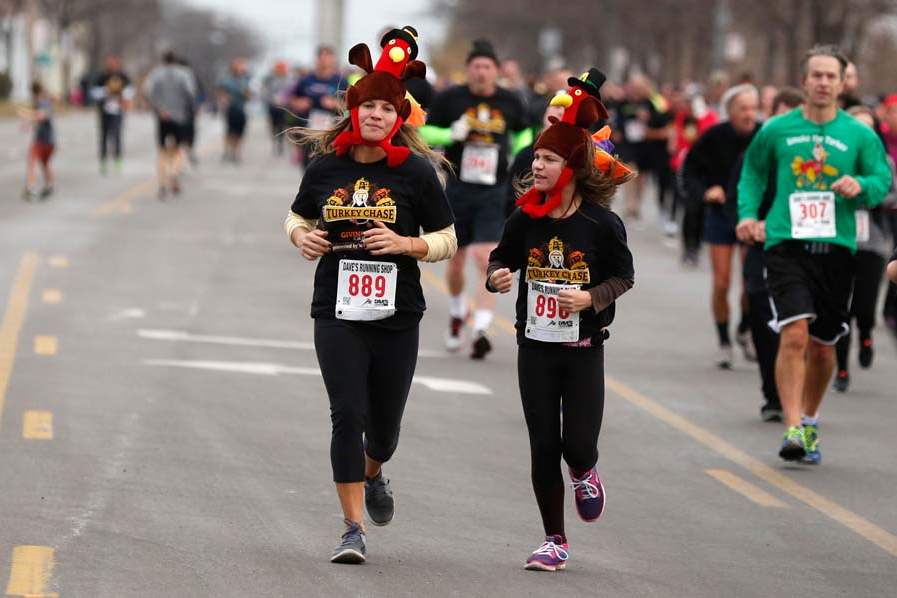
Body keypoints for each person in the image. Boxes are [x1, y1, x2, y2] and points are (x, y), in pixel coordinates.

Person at [284, 27, 457, 564]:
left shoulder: (417, 174)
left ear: (399, 117)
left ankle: (375, 473)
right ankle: (351, 529)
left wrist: (406, 243)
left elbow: (448, 238)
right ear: (354, 112)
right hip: (335, 308)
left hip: (397, 313)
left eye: (388, 107)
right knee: (347, 415)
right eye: (370, 105)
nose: (378, 114)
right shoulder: (325, 168)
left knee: (382, 432)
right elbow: (297, 214)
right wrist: (302, 236)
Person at [487, 69, 633, 571]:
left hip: (584, 350)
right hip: (535, 346)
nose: (538, 165)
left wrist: (590, 297)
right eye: (536, 158)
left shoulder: (601, 224)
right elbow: (499, 260)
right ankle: (554, 539)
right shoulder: (524, 217)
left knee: (578, 444)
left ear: (571, 165)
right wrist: (497, 279)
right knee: (543, 443)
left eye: (548, 159)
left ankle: (586, 470)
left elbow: (624, 277)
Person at [737, 45, 891, 464]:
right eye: (816, 75)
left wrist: (861, 186)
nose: (823, 82)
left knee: (824, 346)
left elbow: (882, 178)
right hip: (786, 244)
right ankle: (791, 428)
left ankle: (809, 418)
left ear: (843, 84)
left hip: (839, 249)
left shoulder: (859, 134)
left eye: (831, 76)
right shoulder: (777, 129)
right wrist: (749, 215)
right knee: (794, 333)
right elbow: (752, 173)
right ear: (803, 80)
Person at [422, 38, 530, 358]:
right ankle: (458, 312)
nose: (481, 73)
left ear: (496, 71)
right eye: (476, 67)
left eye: (487, 67)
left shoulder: (510, 101)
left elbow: (524, 132)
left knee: (486, 258)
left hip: (493, 190)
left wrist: (519, 154)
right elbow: (424, 132)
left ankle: (481, 328)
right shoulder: (450, 98)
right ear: (468, 70)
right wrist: (448, 135)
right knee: (455, 263)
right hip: (457, 187)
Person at [729, 86, 805, 421]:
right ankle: (773, 393)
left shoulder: (812, 155)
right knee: (762, 308)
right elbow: (741, 191)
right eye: (782, 116)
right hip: (764, 243)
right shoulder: (757, 152)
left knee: (801, 323)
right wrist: (750, 221)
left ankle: (799, 394)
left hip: (805, 245)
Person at [682, 84, 760, 368]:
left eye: (753, 108)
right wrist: (707, 191)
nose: (749, 114)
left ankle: (745, 329)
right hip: (720, 215)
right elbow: (690, 172)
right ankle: (724, 340)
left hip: (751, 214)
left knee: (752, 283)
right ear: (729, 112)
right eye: (743, 109)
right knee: (722, 281)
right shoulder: (714, 136)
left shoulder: (763, 136)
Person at [832, 105, 893, 391]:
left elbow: (893, 192)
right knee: (839, 309)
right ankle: (841, 370)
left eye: (869, 127)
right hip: (840, 239)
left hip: (873, 242)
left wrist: (869, 195)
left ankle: (866, 334)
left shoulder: (884, 162)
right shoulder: (836, 159)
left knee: (864, 307)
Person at [143, 50, 196, 199]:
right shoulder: (184, 74)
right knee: (178, 150)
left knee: (162, 151)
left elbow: (147, 91)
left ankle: (162, 183)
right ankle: (174, 173)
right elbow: (190, 93)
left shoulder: (156, 74)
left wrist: (159, 108)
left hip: (162, 116)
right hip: (180, 116)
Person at [289, 45, 347, 164]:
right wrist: (300, 103)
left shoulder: (341, 81)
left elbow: (349, 105)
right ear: (316, 59)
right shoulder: (305, 80)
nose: (324, 60)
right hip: (309, 127)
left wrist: (335, 104)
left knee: (328, 161)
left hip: (332, 128)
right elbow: (293, 100)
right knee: (308, 163)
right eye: (321, 56)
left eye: (327, 56)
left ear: (333, 59)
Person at [91, 54, 133, 175]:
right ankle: (103, 162)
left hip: (118, 110)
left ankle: (118, 161)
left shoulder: (123, 76)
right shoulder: (101, 77)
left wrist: (122, 95)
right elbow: (94, 92)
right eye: (109, 62)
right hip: (104, 111)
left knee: (117, 136)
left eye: (114, 62)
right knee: (103, 136)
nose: (112, 65)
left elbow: (130, 91)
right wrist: (106, 90)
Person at [19, 81, 55, 201]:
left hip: (43, 140)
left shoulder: (43, 103)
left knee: (31, 161)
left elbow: (42, 116)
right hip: (49, 141)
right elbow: (38, 119)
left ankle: (31, 188)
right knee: (44, 163)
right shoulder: (43, 102)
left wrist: (27, 114)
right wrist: (28, 123)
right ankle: (49, 185)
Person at [218, 58, 252, 164]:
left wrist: (247, 94)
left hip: (241, 109)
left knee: (239, 132)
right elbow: (221, 92)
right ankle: (228, 150)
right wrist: (224, 100)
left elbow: (249, 95)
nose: (240, 68)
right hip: (230, 108)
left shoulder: (246, 79)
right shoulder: (227, 79)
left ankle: (236, 152)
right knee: (229, 131)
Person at [262, 61, 293, 155]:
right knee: (273, 125)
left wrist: (286, 100)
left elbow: (290, 92)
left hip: (284, 107)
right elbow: (265, 91)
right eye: (278, 68)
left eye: (282, 68)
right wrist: (271, 100)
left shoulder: (288, 79)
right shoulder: (270, 79)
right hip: (272, 105)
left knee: (282, 125)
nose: (280, 70)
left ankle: (280, 143)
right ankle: (274, 140)